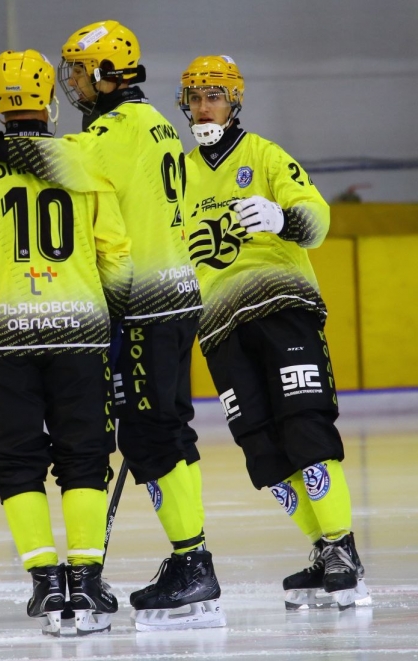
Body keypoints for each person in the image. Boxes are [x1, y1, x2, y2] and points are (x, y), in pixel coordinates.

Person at [0, 21, 225, 631]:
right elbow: (95, 215)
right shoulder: (149, 123)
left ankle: (187, 561)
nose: (73, 83)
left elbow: (57, 162)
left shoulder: (108, 135)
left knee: (148, 439)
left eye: (80, 72)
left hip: (139, 307)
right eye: (63, 74)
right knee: (141, 439)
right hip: (158, 300)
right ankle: (171, 561)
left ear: (107, 74)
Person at [0, 48, 133, 636]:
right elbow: (116, 255)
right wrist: (116, 323)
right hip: (80, 334)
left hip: (2, 342)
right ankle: (86, 581)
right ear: (49, 100)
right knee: (84, 456)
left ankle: (46, 582)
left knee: (16, 462)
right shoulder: (82, 163)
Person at [177, 54, 370, 609]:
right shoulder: (179, 175)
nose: (204, 106)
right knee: (261, 451)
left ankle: (342, 546)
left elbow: (318, 218)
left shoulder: (263, 154)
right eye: (195, 97)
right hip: (219, 328)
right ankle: (322, 548)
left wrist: (284, 218)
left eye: (214, 95)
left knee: (304, 427)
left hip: (282, 308)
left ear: (234, 101)